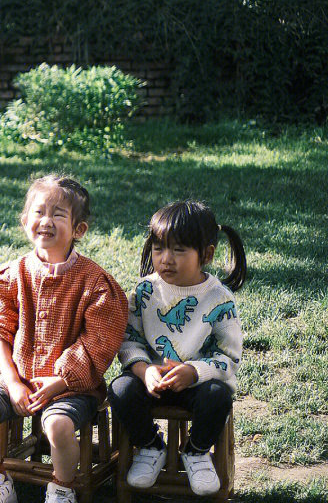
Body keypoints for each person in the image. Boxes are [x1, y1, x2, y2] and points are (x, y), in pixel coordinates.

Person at [0, 175, 127, 503]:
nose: (46, 221)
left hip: (72, 386)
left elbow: (97, 342)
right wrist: (11, 382)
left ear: (78, 229)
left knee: (58, 427)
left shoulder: (94, 283)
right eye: (38, 212)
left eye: (58, 214)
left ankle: (62, 487)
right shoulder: (12, 275)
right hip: (17, 378)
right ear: (25, 221)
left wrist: (59, 382)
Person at [108, 200, 246, 496]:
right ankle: (150, 446)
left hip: (197, 383)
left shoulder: (219, 299)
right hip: (152, 379)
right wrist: (144, 371)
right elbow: (129, 339)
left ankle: (195, 451)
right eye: (159, 248)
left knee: (218, 397)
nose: (166, 259)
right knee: (120, 390)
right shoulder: (145, 291)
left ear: (206, 254)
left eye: (179, 250)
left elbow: (229, 356)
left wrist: (194, 372)